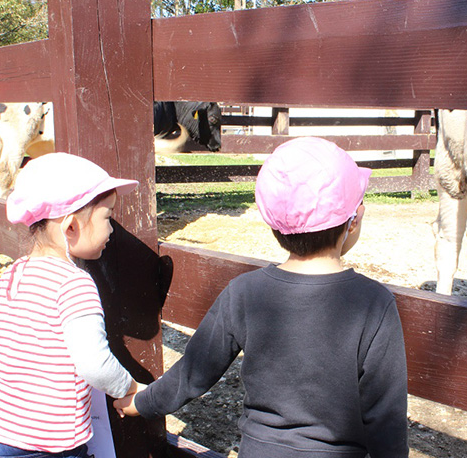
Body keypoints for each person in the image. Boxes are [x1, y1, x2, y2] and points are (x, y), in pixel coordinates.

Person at [115, 137, 409, 458]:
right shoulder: (373, 302)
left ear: (273, 223)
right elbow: (386, 419)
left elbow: (193, 373)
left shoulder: (244, 291)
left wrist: (140, 403)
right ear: (354, 220)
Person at [0, 152, 143, 458]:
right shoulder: (74, 284)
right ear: (71, 226)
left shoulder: (12, 273)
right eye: (107, 217)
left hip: (2, 434)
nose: (112, 230)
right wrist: (131, 389)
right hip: (50, 445)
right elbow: (94, 364)